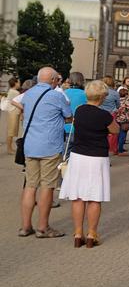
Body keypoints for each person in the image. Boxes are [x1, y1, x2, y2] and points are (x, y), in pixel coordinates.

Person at [59, 80, 119, 247]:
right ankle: (92, 233)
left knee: (78, 197)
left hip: (78, 155)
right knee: (94, 197)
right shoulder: (104, 115)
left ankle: (78, 232)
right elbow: (116, 130)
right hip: (97, 157)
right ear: (102, 97)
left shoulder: (79, 111)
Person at [18, 67, 72, 238]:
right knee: (47, 186)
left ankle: (25, 226)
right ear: (54, 80)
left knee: (30, 185)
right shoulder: (56, 96)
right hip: (49, 146)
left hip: (30, 145)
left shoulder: (28, 94)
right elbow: (68, 115)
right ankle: (43, 227)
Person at [63, 72, 87, 157]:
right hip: (80, 129)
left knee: (64, 158)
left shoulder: (63, 93)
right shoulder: (85, 94)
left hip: (64, 128)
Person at [100, 75, 121, 154]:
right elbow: (118, 105)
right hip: (111, 114)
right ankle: (110, 150)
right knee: (112, 134)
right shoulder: (115, 93)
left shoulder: (100, 92)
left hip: (100, 114)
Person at [4, 77, 21, 154]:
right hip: (13, 113)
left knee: (11, 131)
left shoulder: (12, 91)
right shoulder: (15, 92)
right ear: (15, 83)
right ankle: (9, 149)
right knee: (11, 131)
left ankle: (10, 148)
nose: (19, 83)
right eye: (18, 82)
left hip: (12, 112)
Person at [115, 88, 129, 156]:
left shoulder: (117, 100)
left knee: (117, 135)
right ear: (126, 94)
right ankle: (120, 149)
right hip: (124, 120)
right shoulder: (126, 101)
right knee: (123, 135)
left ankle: (116, 148)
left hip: (117, 119)